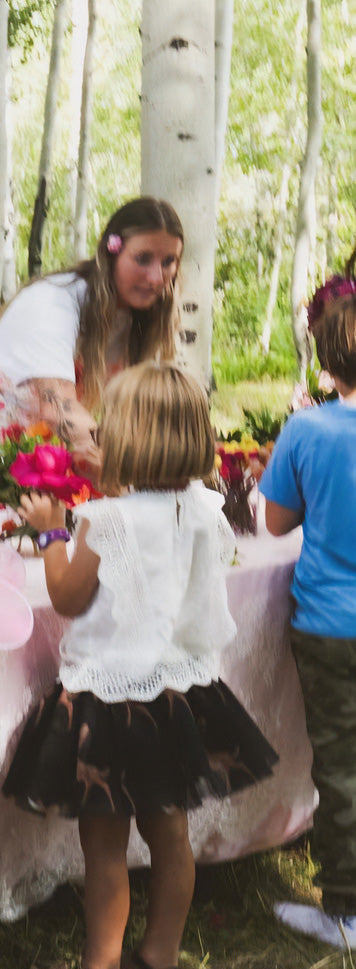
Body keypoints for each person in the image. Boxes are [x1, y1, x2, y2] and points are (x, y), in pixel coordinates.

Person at [2, 362, 278, 969]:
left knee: (105, 846)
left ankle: (101, 960)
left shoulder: (107, 520)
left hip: (110, 701)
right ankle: (160, 954)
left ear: (129, 440)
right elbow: (162, 535)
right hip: (178, 694)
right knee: (170, 834)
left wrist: (51, 534)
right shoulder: (205, 506)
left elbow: (67, 597)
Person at [0, 197, 184, 510]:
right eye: (143, 258)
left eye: (168, 261)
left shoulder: (139, 317)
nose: (156, 277)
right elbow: (59, 409)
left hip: (41, 454)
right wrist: (132, 482)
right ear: (111, 252)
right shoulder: (53, 302)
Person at [261, 265, 356, 949]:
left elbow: (274, 523)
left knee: (344, 766)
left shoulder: (307, 429)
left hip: (329, 623)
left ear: (328, 357)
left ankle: (348, 912)